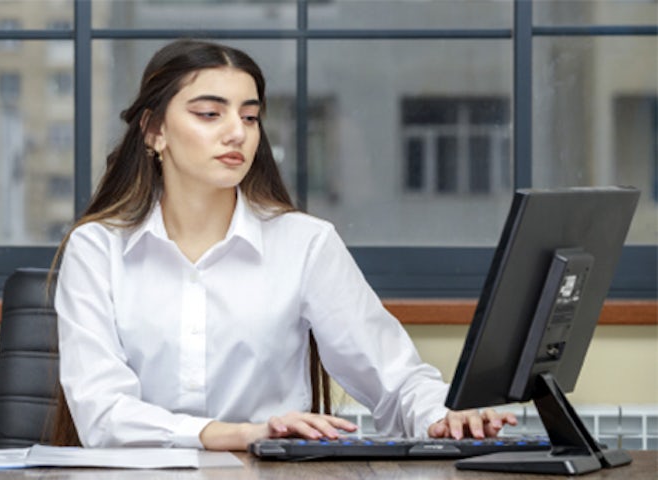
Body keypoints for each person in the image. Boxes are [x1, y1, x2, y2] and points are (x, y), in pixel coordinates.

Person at [53, 39, 516, 450]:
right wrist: (237, 433)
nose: (237, 131)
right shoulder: (96, 249)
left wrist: (445, 417)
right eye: (209, 113)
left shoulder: (305, 244)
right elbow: (101, 412)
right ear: (154, 131)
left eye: (250, 116)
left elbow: (394, 379)